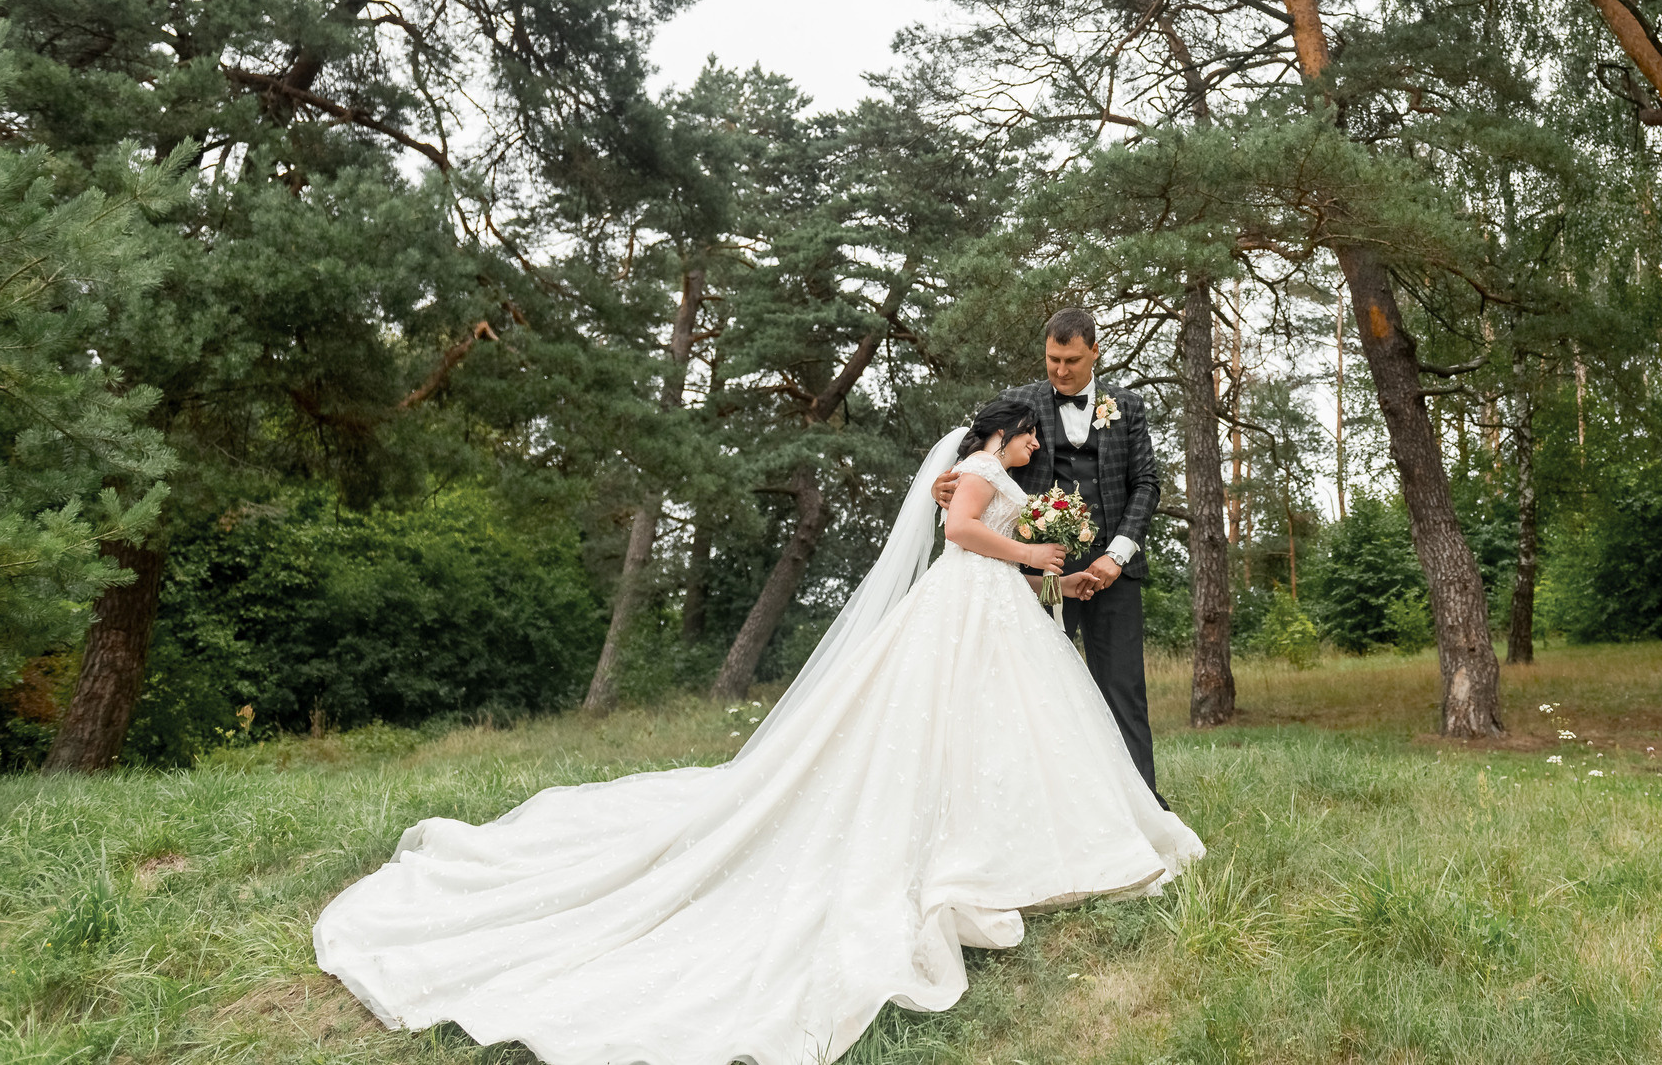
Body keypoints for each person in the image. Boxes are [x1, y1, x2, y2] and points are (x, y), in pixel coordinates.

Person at [313, 396, 1202, 1065]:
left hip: (991, 612)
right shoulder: (974, 471)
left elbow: (978, 518)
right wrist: (1035, 550)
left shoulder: (985, 467)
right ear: (1002, 434)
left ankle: (1023, 830)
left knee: (1009, 728)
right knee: (942, 726)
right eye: (1028, 439)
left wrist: (1046, 549)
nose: (1036, 447)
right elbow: (965, 530)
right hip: (968, 604)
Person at [935, 307, 1161, 795]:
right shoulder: (1018, 403)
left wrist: (1115, 555)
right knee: (1033, 692)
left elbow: (1146, 484)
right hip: (1034, 569)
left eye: (1072, 360)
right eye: (1053, 359)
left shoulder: (1130, 406)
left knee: (1123, 688)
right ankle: (1051, 801)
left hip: (1111, 569)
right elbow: (972, 468)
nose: (1060, 370)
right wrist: (943, 488)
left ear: (1095, 352)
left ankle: (1141, 802)